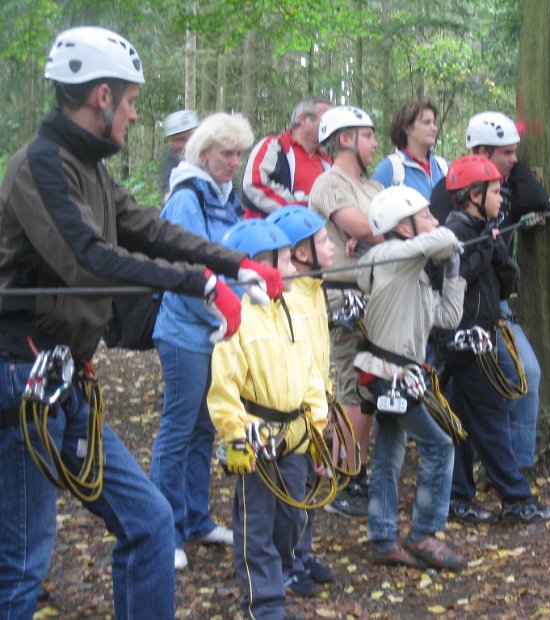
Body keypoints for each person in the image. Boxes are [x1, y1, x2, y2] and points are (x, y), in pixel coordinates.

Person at [0, 27, 282, 620]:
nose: (133, 115)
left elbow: (152, 231)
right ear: (101, 96)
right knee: (23, 562)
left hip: (65, 379)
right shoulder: (41, 167)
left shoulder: (91, 169)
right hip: (22, 376)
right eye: (129, 101)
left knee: (151, 523)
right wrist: (199, 283)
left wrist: (236, 263)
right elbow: (85, 258)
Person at [208, 218, 327, 620]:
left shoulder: (287, 311)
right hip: (257, 442)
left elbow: (307, 367)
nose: (293, 267)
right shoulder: (237, 316)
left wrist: (316, 424)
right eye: (285, 261)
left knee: (292, 517)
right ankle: (265, 604)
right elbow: (223, 384)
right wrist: (237, 433)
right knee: (257, 524)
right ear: (261, 263)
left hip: (293, 438)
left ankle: (278, 579)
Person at [150, 112, 254, 570]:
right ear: (204, 152)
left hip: (218, 332)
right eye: (226, 153)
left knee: (203, 428)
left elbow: (233, 259)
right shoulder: (186, 198)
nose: (234, 161)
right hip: (186, 333)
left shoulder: (226, 197)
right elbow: (187, 273)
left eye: (238, 154)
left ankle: (195, 519)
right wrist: (223, 315)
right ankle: (162, 532)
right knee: (177, 430)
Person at [439, 154, 550, 525]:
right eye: (494, 191)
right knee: (491, 422)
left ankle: (459, 495)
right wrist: (486, 247)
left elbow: (509, 283)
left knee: (461, 421)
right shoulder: (454, 234)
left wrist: (498, 250)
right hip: (465, 339)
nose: (502, 198)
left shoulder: (485, 229)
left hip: (483, 333)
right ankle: (516, 498)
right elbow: (455, 279)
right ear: (473, 194)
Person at [355, 186, 465, 569]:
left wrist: (453, 272)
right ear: (403, 227)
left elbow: (448, 318)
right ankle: (423, 535)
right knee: (439, 447)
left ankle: (384, 538)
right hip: (387, 373)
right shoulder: (386, 256)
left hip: (397, 375)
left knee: (388, 452)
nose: (435, 222)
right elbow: (445, 237)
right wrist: (449, 238)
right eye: (426, 216)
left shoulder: (411, 274)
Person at [430, 111, 547, 471]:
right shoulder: (447, 196)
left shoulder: (503, 188)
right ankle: (474, 469)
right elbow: (448, 266)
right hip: (458, 314)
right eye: (506, 153)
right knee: (458, 388)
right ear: (480, 150)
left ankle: (516, 464)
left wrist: (511, 169)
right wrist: (490, 247)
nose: (515, 160)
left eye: (516, 152)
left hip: (493, 305)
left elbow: (540, 201)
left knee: (526, 373)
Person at [309, 105, 383, 517]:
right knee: (349, 387)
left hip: (377, 295)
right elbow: (360, 226)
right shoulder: (329, 183)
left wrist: (379, 231)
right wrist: (375, 231)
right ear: (345, 139)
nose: (374, 144)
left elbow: (407, 223)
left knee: (369, 388)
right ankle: (344, 477)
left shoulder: (372, 188)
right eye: (367, 135)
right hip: (343, 296)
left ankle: (356, 471)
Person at [265, 206, 337, 597]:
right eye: (323, 240)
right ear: (303, 252)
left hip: (316, 409)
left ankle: (300, 554)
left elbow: (320, 352)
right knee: (290, 492)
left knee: (311, 486)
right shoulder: (290, 299)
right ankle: (284, 564)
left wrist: (327, 398)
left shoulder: (315, 290)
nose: (331, 245)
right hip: (294, 415)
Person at [242, 96, 332, 217]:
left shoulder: (326, 162)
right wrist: (309, 206)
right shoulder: (274, 147)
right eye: (328, 118)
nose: (333, 124)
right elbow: (254, 186)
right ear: (304, 119)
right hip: (270, 233)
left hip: (316, 234)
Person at [371, 99, 448, 198]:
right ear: (407, 127)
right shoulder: (390, 168)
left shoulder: (443, 166)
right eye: (427, 123)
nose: (434, 128)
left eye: (434, 123)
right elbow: (372, 208)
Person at [159, 108, 200, 196]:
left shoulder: (212, 158)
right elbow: (169, 194)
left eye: (188, 138)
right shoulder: (171, 164)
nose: (184, 145)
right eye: (178, 140)